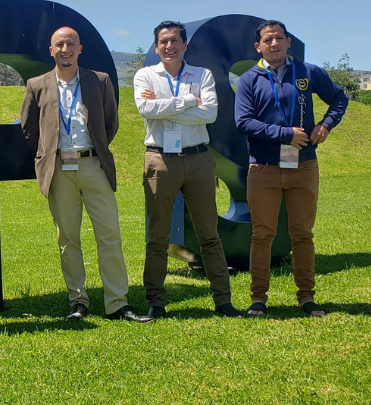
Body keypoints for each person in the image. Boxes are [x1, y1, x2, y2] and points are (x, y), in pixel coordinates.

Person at [20, 26, 146, 323]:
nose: (65, 49)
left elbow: (110, 124)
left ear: (80, 49)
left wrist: (95, 149)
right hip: (59, 169)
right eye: (59, 44)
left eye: (71, 44)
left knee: (110, 236)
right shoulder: (36, 84)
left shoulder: (99, 81)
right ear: (51, 50)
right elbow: (28, 128)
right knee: (68, 239)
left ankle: (117, 302)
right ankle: (78, 301)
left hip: (94, 166)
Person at [234, 20, 348, 318]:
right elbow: (243, 122)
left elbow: (339, 98)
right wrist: (285, 134)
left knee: (302, 234)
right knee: (262, 234)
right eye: (268, 40)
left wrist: (326, 124)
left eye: (279, 38)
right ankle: (258, 299)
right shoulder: (250, 79)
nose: (274, 44)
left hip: (303, 165)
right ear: (257, 46)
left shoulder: (308, 72)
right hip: (263, 168)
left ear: (288, 43)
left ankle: (306, 297)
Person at [134, 21, 241, 320]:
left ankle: (223, 300)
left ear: (185, 45)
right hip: (160, 160)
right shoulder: (145, 75)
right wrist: (188, 101)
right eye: (163, 42)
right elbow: (146, 110)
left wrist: (166, 105)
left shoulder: (202, 74)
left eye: (175, 41)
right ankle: (155, 301)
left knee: (209, 234)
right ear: (156, 47)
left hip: (197, 160)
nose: (169, 46)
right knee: (158, 236)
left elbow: (210, 113)